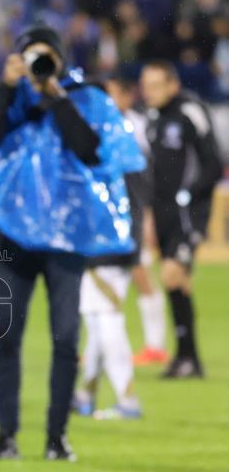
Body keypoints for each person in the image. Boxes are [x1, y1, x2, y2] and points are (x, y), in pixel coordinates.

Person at [0, 24, 142, 462]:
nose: (40, 67)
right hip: (12, 234)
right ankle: (6, 436)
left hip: (67, 238)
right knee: (7, 338)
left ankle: (56, 437)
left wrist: (57, 95)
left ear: (62, 62)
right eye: (32, 58)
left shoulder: (84, 99)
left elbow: (90, 149)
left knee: (66, 338)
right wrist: (10, 88)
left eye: (48, 59)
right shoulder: (10, 97)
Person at [140, 61, 222, 377]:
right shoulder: (152, 117)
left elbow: (213, 162)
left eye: (155, 85)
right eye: (145, 86)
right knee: (175, 280)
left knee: (173, 274)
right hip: (162, 212)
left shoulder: (190, 111)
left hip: (188, 212)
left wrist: (188, 195)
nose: (148, 92)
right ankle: (188, 358)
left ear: (172, 85)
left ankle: (188, 357)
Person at [73, 80, 149, 421]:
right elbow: (139, 194)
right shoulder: (121, 137)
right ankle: (85, 394)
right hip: (118, 242)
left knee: (107, 319)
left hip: (100, 245)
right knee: (99, 317)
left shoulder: (93, 141)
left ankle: (127, 398)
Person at [106, 74, 168, 366]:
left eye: (114, 94)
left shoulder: (136, 127)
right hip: (116, 211)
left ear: (128, 97)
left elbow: (147, 177)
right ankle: (105, 343)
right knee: (112, 276)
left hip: (136, 210)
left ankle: (155, 344)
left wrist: (149, 216)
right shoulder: (106, 124)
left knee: (140, 271)